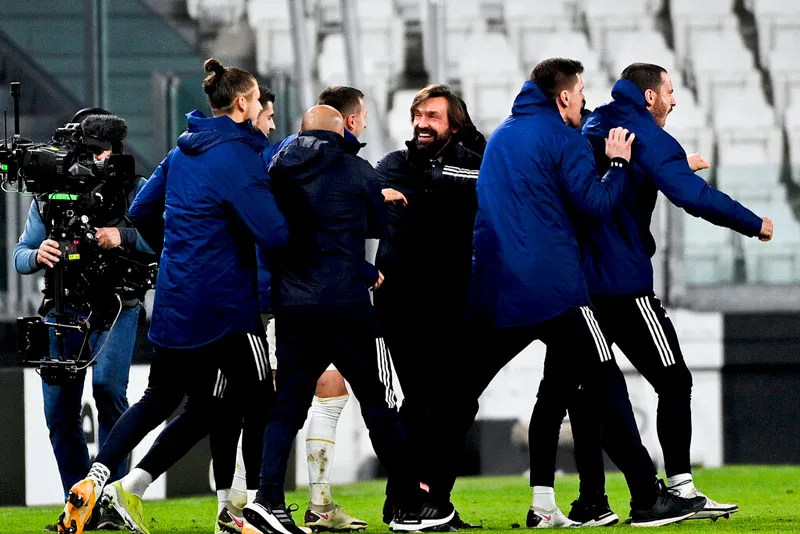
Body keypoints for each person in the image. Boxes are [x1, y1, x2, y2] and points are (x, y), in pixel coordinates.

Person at [449, 57, 708, 528]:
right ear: (564, 95)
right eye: (581, 90)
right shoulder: (563, 138)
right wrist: (619, 165)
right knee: (606, 383)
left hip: (495, 288)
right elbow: (597, 205)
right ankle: (648, 497)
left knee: (482, 392)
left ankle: (430, 497)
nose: (586, 99)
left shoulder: (504, 136)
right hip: (557, 289)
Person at [56, 58, 287, 534]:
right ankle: (259, 504)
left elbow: (140, 210)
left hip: (175, 301)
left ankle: (101, 479)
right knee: (262, 398)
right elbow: (275, 233)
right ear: (243, 102)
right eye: (259, 97)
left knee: (167, 399)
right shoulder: (239, 157)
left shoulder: (181, 153)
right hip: (226, 308)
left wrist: (179, 253)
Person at [561, 62, 774, 523]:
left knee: (586, 395)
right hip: (624, 285)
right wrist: (754, 223)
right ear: (651, 96)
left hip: (582, 287)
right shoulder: (646, 134)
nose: (674, 100)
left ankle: (590, 501)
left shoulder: (597, 121)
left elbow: (619, 177)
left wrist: (671, 166)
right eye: (670, 92)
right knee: (675, 382)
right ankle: (679, 487)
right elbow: (693, 197)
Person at [242, 105, 453, 534]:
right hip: (347, 307)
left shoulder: (276, 167)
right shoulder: (357, 171)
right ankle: (409, 505)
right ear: (342, 132)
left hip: (294, 305)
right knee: (379, 405)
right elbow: (378, 226)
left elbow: (273, 229)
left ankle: (268, 499)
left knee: (287, 409)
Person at [12, 107, 154, 528]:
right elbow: (21, 254)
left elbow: (158, 238)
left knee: (110, 388)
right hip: (63, 309)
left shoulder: (135, 187)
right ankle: (79, 504)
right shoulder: (50, 192)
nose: (97, 159)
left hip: (116, 306)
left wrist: (122, 235)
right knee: (59, 414)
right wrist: (38, 254)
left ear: (117, 150)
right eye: (90, 151)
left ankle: (111, 500)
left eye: (104, 151)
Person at [373, 84, 484, 528]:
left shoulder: (470, 166)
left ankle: (433, 498)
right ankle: (407, 499)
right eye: (418, 115)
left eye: (432, 116)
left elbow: (491, 175)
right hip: (403, 303)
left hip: (455, 303)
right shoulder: (393, 166)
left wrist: (458, 161)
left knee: (460, 404)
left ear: (453, 124)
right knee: (420, 403)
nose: (421, 123)